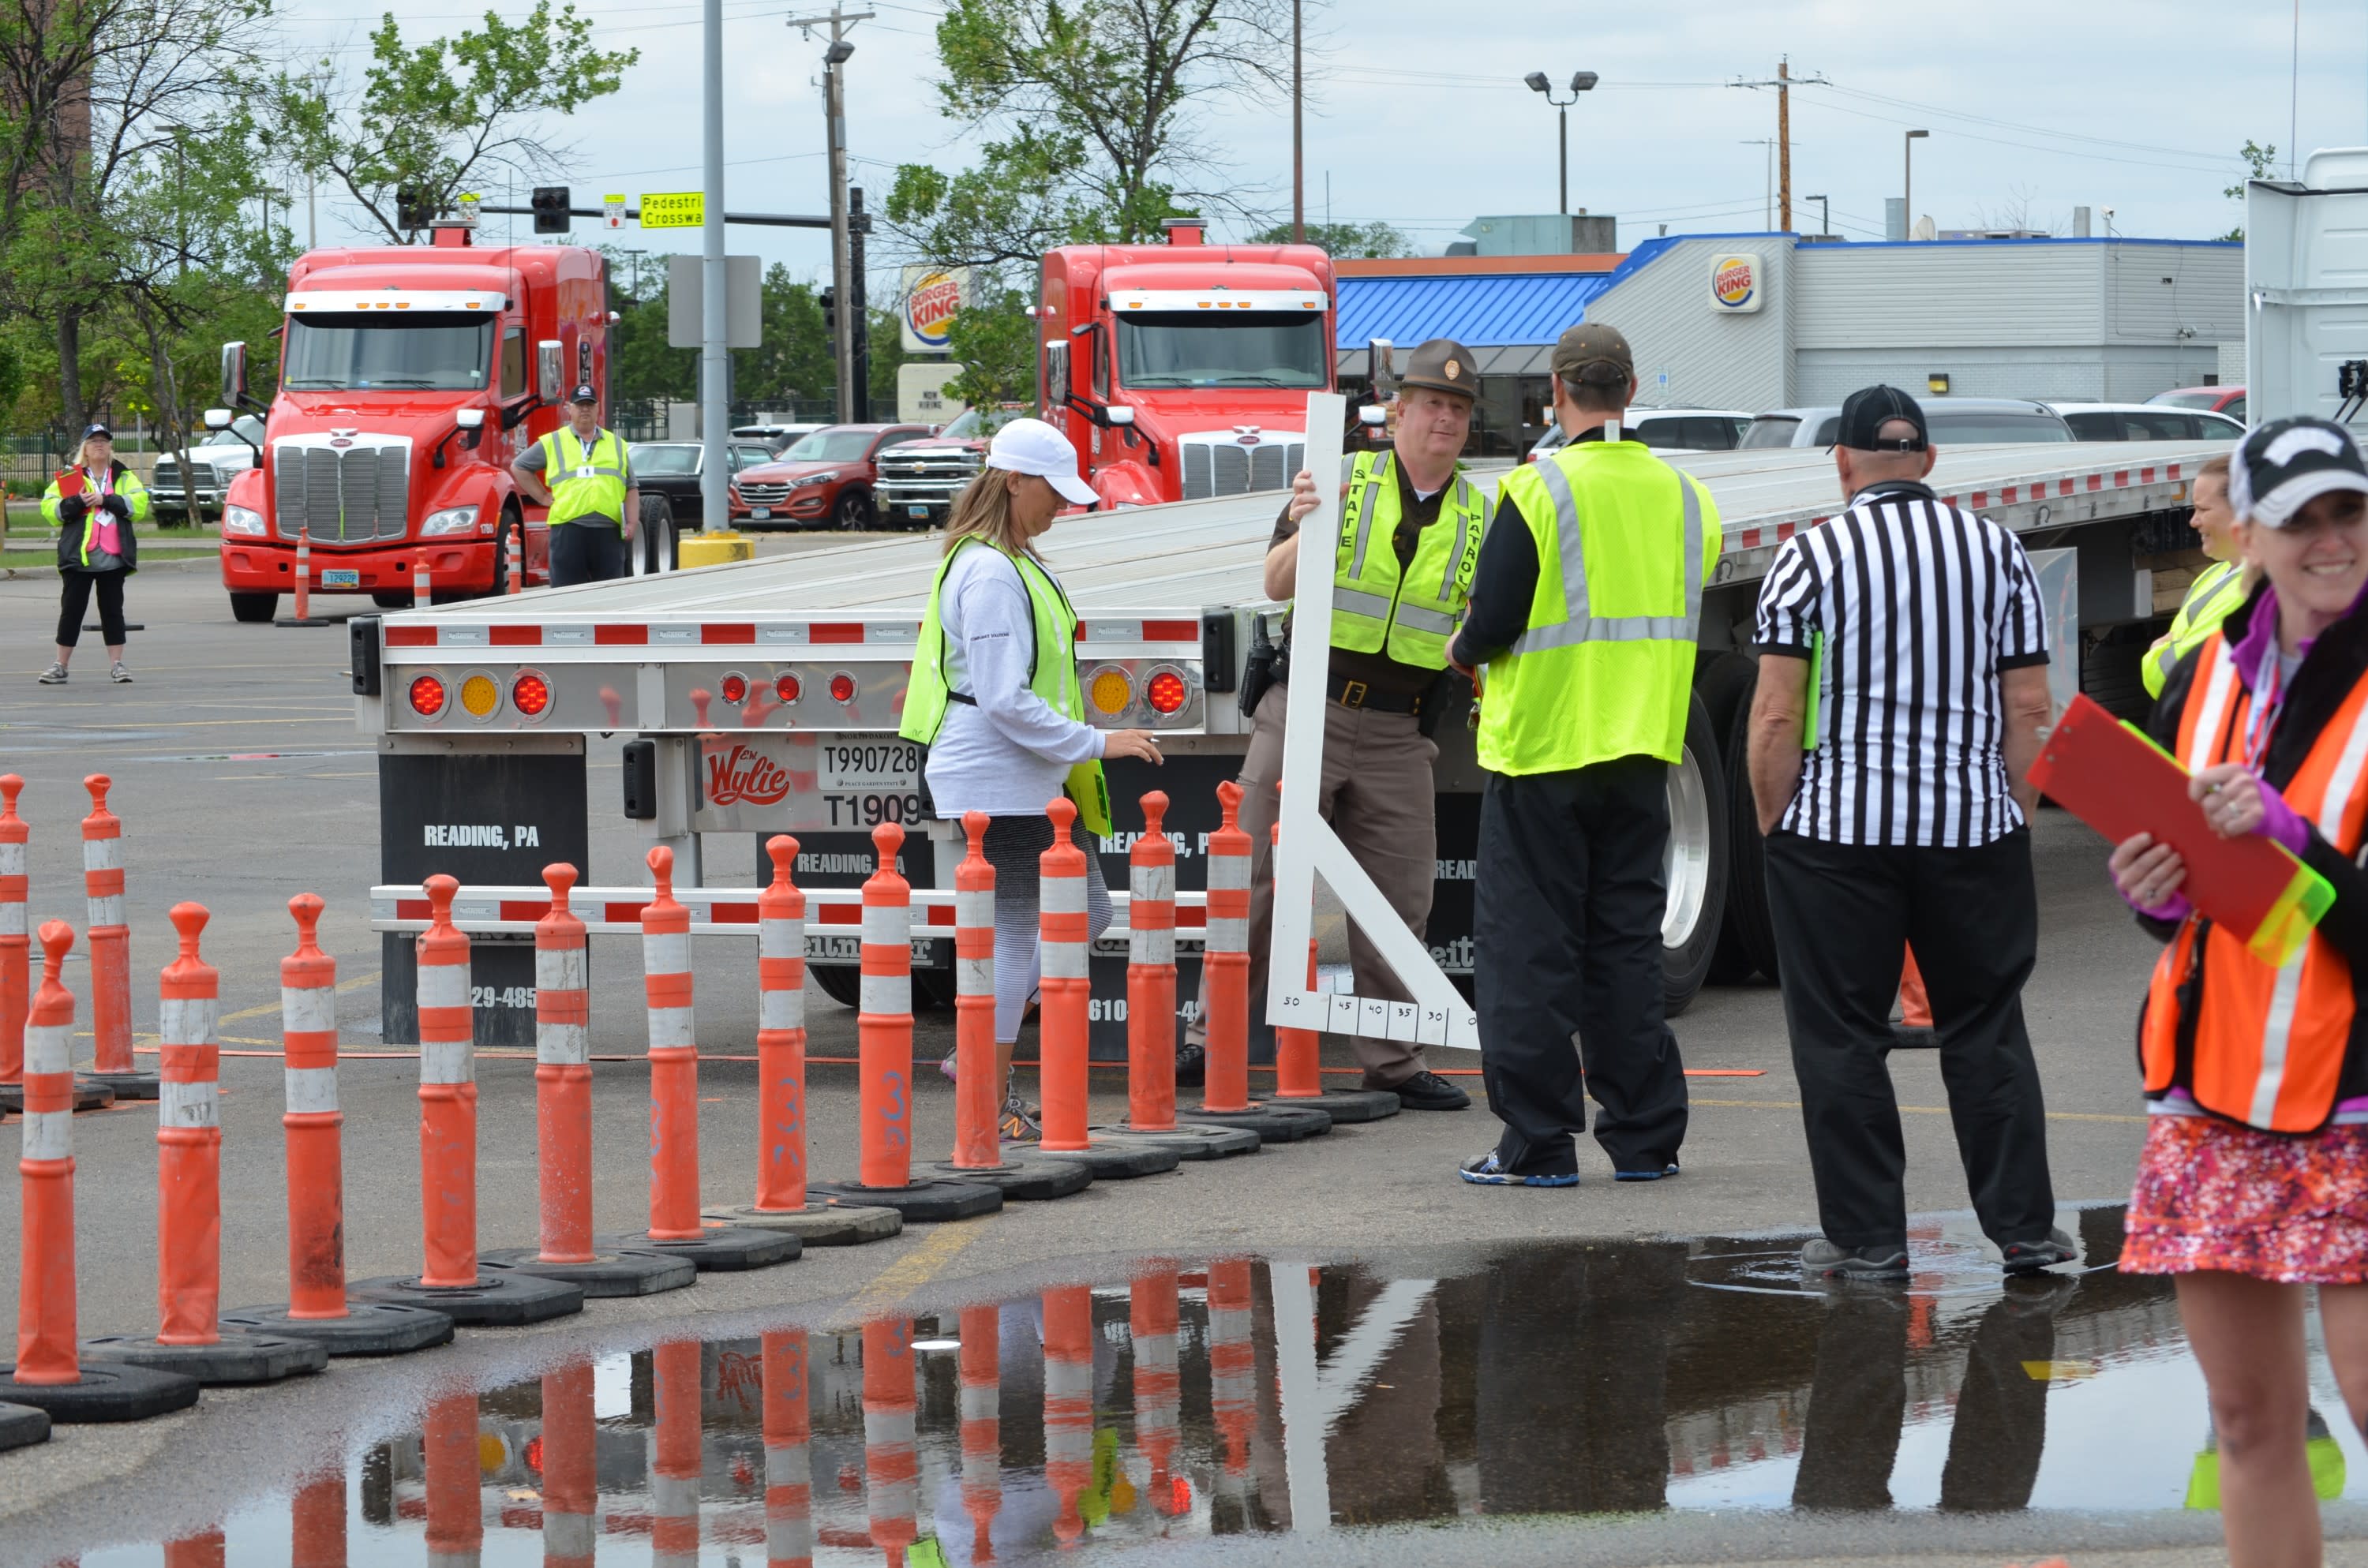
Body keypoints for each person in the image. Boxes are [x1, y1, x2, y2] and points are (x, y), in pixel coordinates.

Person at [2106, 416, 2368, 1567]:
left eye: (2348, 511)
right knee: (2252, 1421)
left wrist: (2292, 837)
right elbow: (2187, 905)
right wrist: (2151, 886)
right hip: (2213, 1092)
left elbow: (2321, 890)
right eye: (2300, 518)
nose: (2329, 539)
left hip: (2355, 1098)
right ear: (2248, 534)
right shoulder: (2207, 668)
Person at [1745, 384, 2071, 1281]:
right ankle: (2025, 1233)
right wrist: (2012, 814)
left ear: (1843, 462)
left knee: (1842, 1035)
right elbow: (2031, 706)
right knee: (1987, 1028)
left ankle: (1869, 1241)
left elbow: (1775, 715)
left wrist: (1778, 823)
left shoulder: (1809, 556)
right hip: (1971, 828)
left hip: (1837, 835)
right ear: (1928, 459)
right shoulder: (1999, 552)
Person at [1183, 337, 1489, 1112]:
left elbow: (1483, 626)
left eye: (1457, 409)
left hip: (1398, 730)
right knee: (1253, 878)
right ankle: (1208, 1039)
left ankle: (1392, 1061)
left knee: (1399, 899)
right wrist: (1303, 526)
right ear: (1398, 412)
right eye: (1431, 404)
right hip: (1307, 708)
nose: (1443, 419)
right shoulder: (1341, 476)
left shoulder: (1482, 516)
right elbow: (1273, 581)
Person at [1445, 322, 1720, 1184]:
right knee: (1624, 950)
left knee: (1528, 953)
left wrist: (1460, 651)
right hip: (1643, 750)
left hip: (1544, 751)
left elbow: (1492, 621)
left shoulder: (1537, 491)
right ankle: (1644, 1142)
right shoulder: (1686, 498)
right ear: (1631, 390)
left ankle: (1539, 1145)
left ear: (1556, 395)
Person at [898, 417, 1164, 1139]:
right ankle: (985, 1081)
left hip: (1012, 776)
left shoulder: (1006, 557)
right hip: (997, 779)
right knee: (1028, 928)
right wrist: (1098, 742)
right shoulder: (989, 571)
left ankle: (982, 1068)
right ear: (1013, 481)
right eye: (1053, 490)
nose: (1063, 505)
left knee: (1071, 918)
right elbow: (1003, 696)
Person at [39, 423, 147, 685]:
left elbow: (139, 505)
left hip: (113, 557)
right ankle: (60, 665)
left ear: (110, 447)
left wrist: (106, 500)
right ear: (84, 449)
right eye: (93, 440)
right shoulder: (69, 477)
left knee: (112, 611)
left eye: (104, 440)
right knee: (71, 611)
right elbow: (49, 508)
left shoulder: (123, 476)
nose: (99, 444)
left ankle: (118, 665)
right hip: (78, 557)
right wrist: (76, 502)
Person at [511, 384, 640, 587]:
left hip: (609, 531)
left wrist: (632, 522)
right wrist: (543, 497)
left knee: (609, 596)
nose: (585, 410)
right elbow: (519, 467)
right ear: (569, 409)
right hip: (568, 530)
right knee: (567, 595)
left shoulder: (617, 444)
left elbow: (631, 487)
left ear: (598, 408)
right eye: (580, 406)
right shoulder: (554, 441)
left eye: (589, 405)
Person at [2144, 454, 2249, 699]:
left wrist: (2157, 649)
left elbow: (2172, 677)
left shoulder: (2250, 590)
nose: (2193, 521)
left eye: (2203, 509)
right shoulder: (2216, 573)